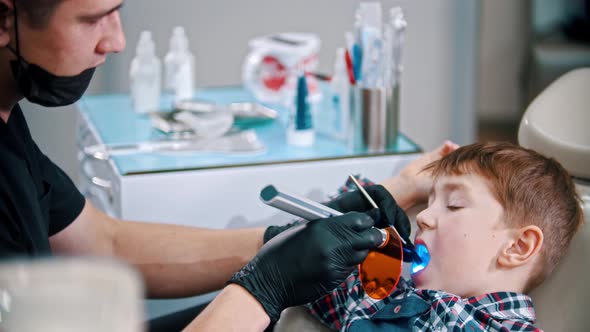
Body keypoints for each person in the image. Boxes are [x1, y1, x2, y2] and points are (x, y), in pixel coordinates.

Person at [0, 1, 413, 331]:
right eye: (92, 20)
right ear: (4, 19)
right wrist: (264, 287)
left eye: (117, 12)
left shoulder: (9, 128)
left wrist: (283, 240)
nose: (116, 41)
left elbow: (104, 243)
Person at [304, 142, 584, 331]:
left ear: (517, 246)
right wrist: (404, 187)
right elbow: (309, 247)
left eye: (454, 204)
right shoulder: (381, 294)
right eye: (427, 203)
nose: (423, 218)